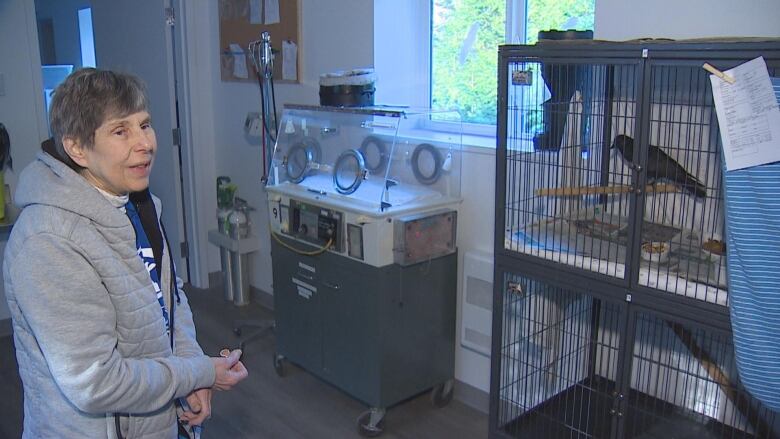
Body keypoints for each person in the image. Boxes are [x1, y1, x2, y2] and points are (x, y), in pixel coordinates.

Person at [3, 68, 248, 438]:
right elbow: (95, 382)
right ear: (77, 147)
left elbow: (168, 297)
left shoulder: (139, 205)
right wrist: (200, 373)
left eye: (145, 124)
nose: (145, 142)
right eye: (121, 131)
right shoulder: (46, 240)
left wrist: (191, 369)